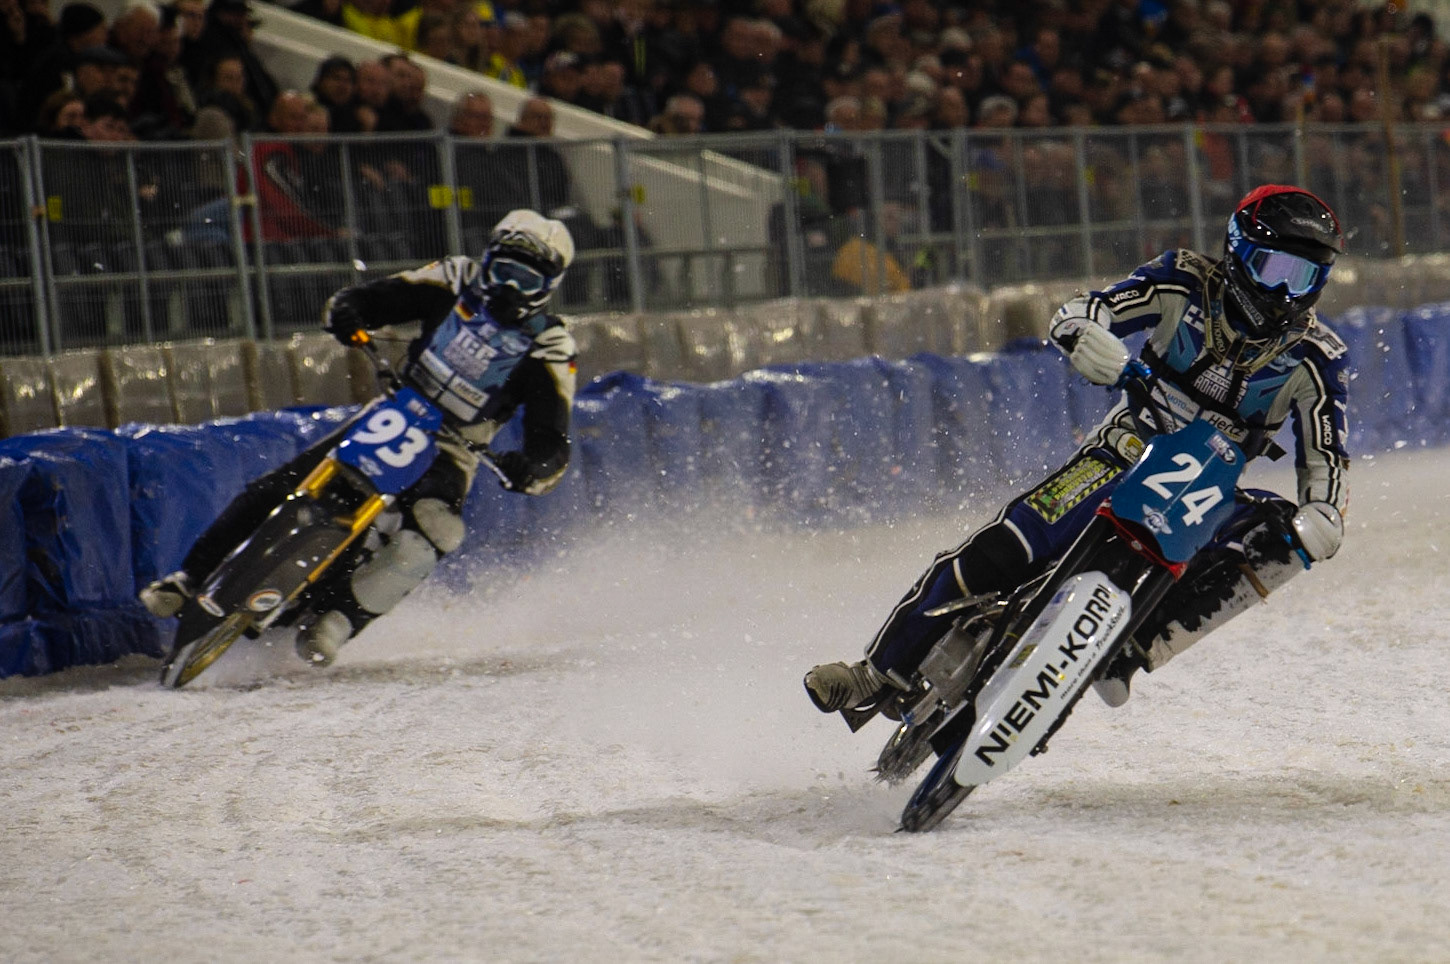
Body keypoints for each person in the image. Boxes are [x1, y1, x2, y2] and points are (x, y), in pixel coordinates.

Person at [805, 185, 1351, 715]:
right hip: (1124, 450)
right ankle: (872, 673)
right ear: (1236, 251)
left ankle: (1134, 652)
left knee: (1278, 532)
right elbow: (1090, 309)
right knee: (1006, 545)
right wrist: (1085, 334)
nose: (1284, 291)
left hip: (1206, 492)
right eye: (1272, 268)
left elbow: (1327, 452)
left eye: (1303, 276)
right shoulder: (1183, 279)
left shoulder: (1318, 357)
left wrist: (1324, 509)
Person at [140, 209, 578, 668]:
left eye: (524, 281)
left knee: (436, 531)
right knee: (287, 482)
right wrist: (350, 313)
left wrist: (532, 466)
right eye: (503, 272)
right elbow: (374, 297)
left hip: (456, 446)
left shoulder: (550, 345)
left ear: (547, 288)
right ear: (486, 261)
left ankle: (336, 622)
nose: (509, 288)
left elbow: (552, 438)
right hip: (396, 409)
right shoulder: (454, 278)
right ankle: (189, 577)